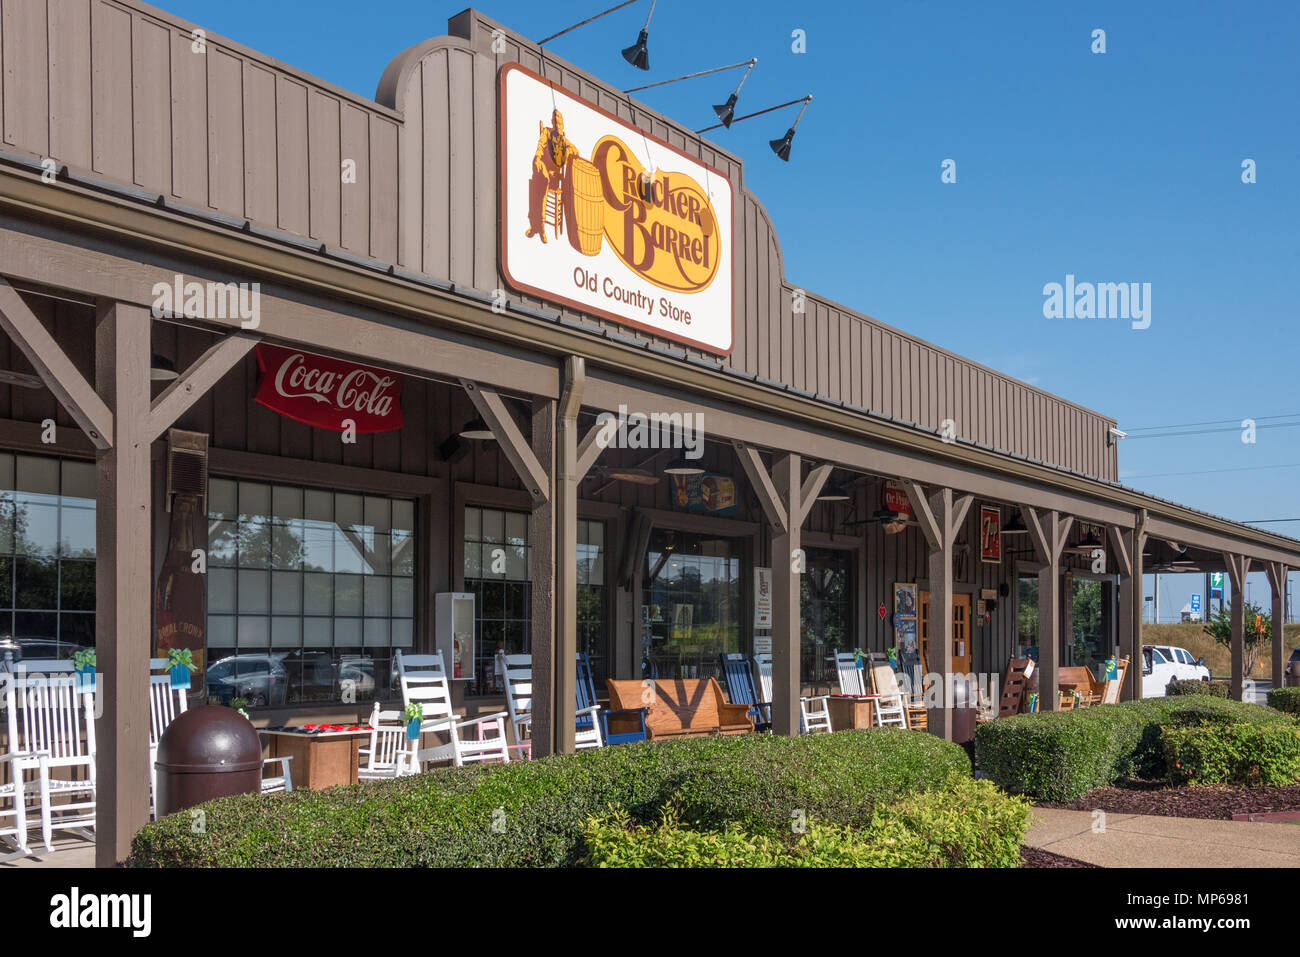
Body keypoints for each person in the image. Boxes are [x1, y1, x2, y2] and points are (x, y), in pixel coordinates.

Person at [526, 109, 580, 243]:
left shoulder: (563, 139)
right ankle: (538, 226)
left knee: (542, 185)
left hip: (554, 178)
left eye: (560, 123)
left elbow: (575, 151)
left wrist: (566, 151)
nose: (557, 125)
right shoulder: (546, 132)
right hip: (542, 170)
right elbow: (540, 146)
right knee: (541, 181)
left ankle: (538, 226)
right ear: (552, 122)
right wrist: (537, 158)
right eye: (555, 122)